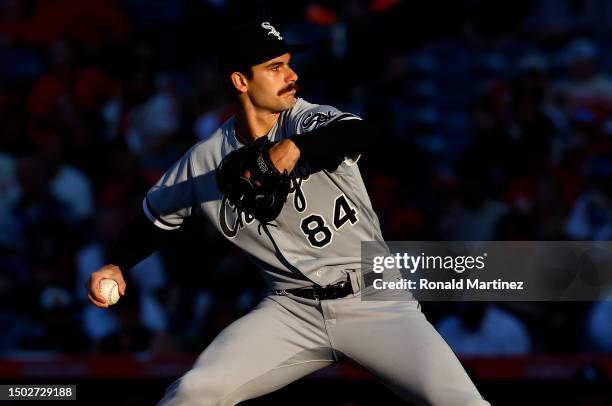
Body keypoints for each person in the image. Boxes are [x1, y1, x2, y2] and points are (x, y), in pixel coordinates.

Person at [86, 21, 490, 406]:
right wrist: (118, 264)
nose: (290, 74)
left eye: (289, 62)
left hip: (374, 297)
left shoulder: (305, 117)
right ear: (241, 81)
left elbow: (362, 132)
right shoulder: (204, 161)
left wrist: (296, 147)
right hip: (291, 311)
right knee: (194, 393)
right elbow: (154, 218)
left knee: (461, 402)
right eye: (275, 67)